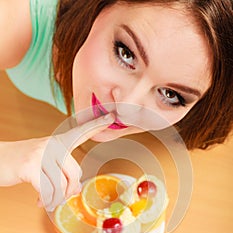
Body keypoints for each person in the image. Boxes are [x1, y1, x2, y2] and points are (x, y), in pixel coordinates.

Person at [0, 0, 232, 212]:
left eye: (170, 95)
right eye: (126, 53)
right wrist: (7, 158)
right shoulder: (12, 21)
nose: (126, 107)